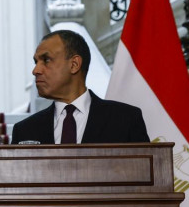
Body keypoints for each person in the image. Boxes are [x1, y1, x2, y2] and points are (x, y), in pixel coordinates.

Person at [11, 30, 149, 144]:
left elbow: (146, 173)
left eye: (46, 60)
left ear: (74, 65)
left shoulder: (125, 121)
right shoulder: (24, 130)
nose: (36, 70)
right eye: (36, 62)